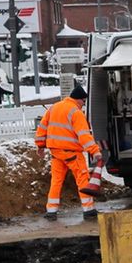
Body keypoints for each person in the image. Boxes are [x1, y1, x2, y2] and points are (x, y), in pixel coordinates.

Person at [34, 84, 100, 221]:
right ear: (80, 100)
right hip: (72, 153)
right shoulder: (76, 112)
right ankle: (88, 210)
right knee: (82, 180)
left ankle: (51, 211)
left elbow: (42, 127)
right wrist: (95, 151)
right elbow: (84, 135)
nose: (83, 104)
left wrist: (40, 145)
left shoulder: (54, 107)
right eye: (83, 101)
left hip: (56, 153)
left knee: (56, 181)